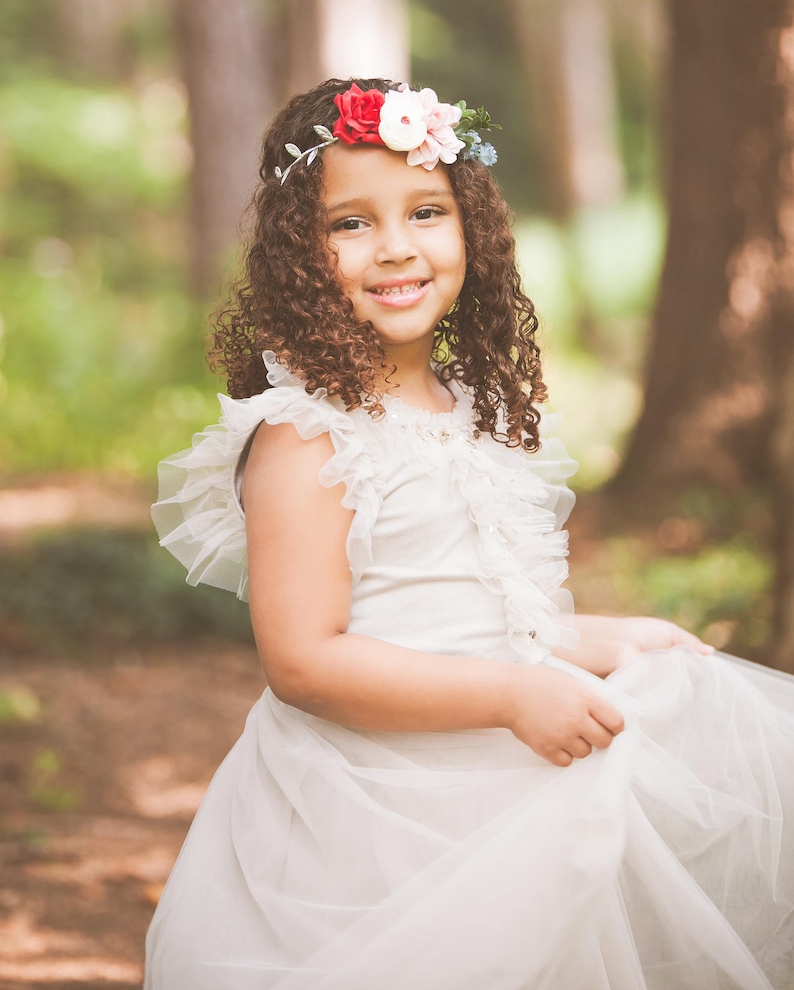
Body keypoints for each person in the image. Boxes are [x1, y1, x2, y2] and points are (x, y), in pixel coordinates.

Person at [144, 78, 794, 990]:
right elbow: (304, 662)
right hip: (372, 811)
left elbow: (476, 607)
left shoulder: (474, 408)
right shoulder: (306, 435)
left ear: (471, 232)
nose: (396, 247)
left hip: (502, 750)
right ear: (300, 251)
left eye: (424, 212)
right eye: (351, 224)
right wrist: (510, 696)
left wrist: (605, 638)